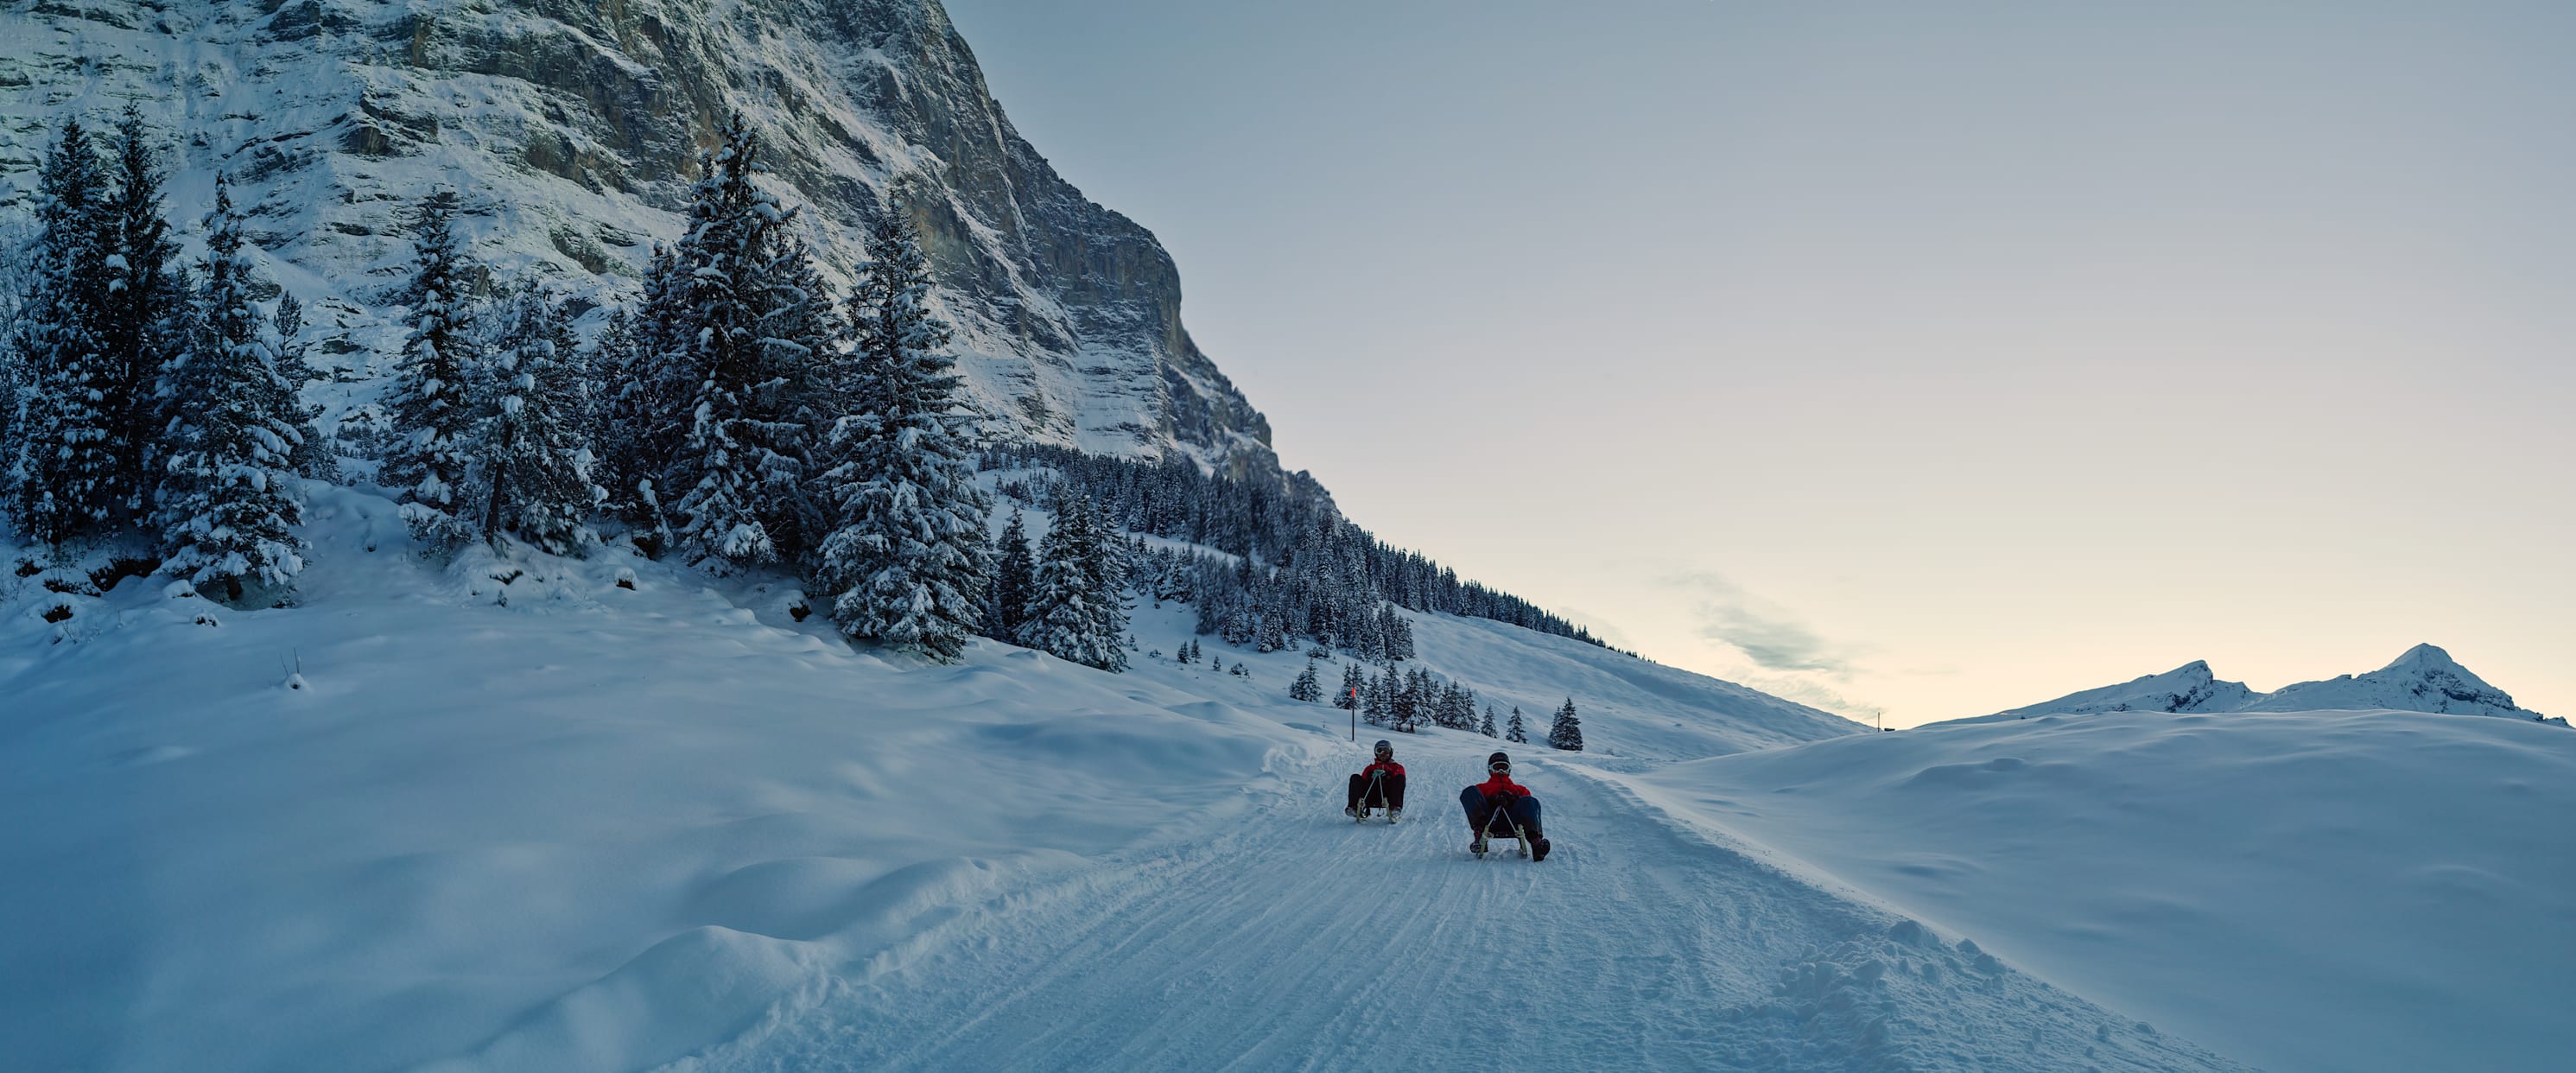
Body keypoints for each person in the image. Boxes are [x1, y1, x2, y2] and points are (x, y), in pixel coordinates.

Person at [1460, 751, 1550, 860]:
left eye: (1504, 768)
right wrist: (1491, 799)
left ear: (1509, 770)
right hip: (1489, 820)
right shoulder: (1482, 788)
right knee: (1469, 792)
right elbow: (1474, 800)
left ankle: (1537, 844)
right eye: (1497, 768)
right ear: (1491, 770)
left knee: (1530, 801)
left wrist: (1514, 799)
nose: (1501, 771)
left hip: (1514, 820)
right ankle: (1479, 836)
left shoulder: (1520, 789)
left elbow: (1528, 807)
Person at [1346, 740, 1406, 821]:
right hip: (1371, 794)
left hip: (1389, 796)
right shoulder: (1370, 768)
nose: (1383, 754)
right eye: (1379, 751)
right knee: (1355, 777)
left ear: (1391, 752)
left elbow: (1399, 782)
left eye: (1386, 750)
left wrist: (1388, 776)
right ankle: (1354, 807)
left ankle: (1395, 808)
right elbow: (1362, 783)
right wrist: (1370, 776)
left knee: (1400, 778)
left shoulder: (1397, 767)